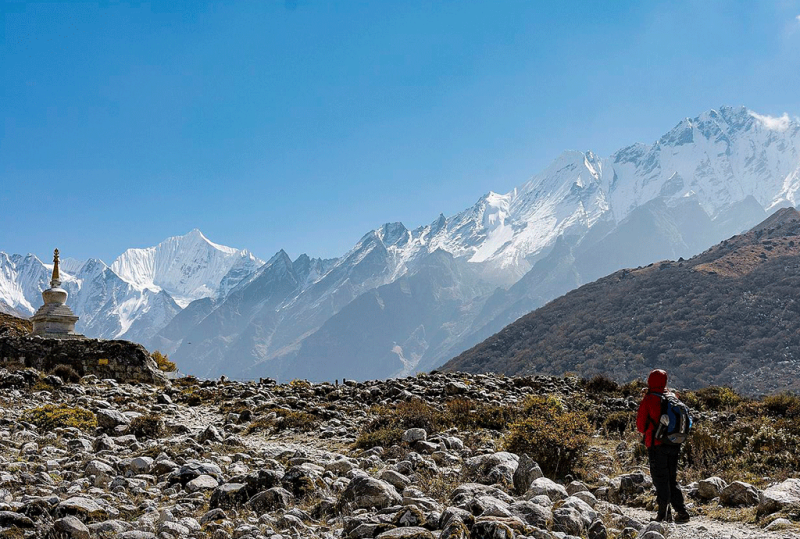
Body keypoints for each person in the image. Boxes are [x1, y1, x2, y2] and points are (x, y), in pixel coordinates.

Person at [636, 369, 691, 523]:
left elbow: (641, 426)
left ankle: (663, 514)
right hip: (674, 443)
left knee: (660, 479)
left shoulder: (649, 399)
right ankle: (682, 512)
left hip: (656, 444)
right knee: (672, 479)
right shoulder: (671, 396)